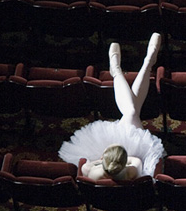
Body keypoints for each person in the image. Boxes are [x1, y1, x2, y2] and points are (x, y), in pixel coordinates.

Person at [58, 33, 166, 180]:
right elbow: (136, 160)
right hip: (133, 151)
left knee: (131, 111)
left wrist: (104, 161)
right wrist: (106, 159)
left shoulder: (91, 172)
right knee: (132, 111)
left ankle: (122, 69)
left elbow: (87, 166)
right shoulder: (131, 171)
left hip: (113, 161)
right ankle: (143, 64)